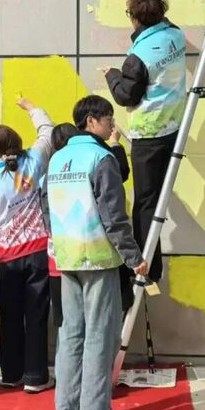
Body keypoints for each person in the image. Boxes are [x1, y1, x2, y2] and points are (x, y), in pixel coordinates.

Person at [45, 95, 148, 410]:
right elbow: (113, 216)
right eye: (108, 118)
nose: (112, 125)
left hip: (67, 257)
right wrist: (134, 257)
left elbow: (46, 209)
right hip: (99, 258)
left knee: (71, 335)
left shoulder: (57, 159)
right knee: (100, 338)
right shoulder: (101, 158)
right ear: (91, 121)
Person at [101, 0, 186, 282]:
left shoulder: (137, 56)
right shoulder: (175, 36)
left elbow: (126, 95)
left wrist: (112, 75)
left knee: (146, 203)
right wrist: (133, 2)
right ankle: (151, 265)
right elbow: (162, 23)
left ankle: (149, 268)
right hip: (175, 127)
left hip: (149, 135)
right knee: (158, 197)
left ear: (135, 18)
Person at [0, 98, 55, 393]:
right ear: (18, 143)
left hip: (8, 256)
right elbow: (48, 132)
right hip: (37, 250)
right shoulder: (34, 161)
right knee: (36, 315)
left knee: (10, 315)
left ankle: (11, 374)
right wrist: (31, 107)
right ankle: (36, 378)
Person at [45, 122, 133, 332]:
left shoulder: (52, 168)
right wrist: (115, 144)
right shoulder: (94, 159)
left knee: (69, 327)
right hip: (95, 255)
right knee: (98, 325)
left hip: (62, 260)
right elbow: (120, 172)